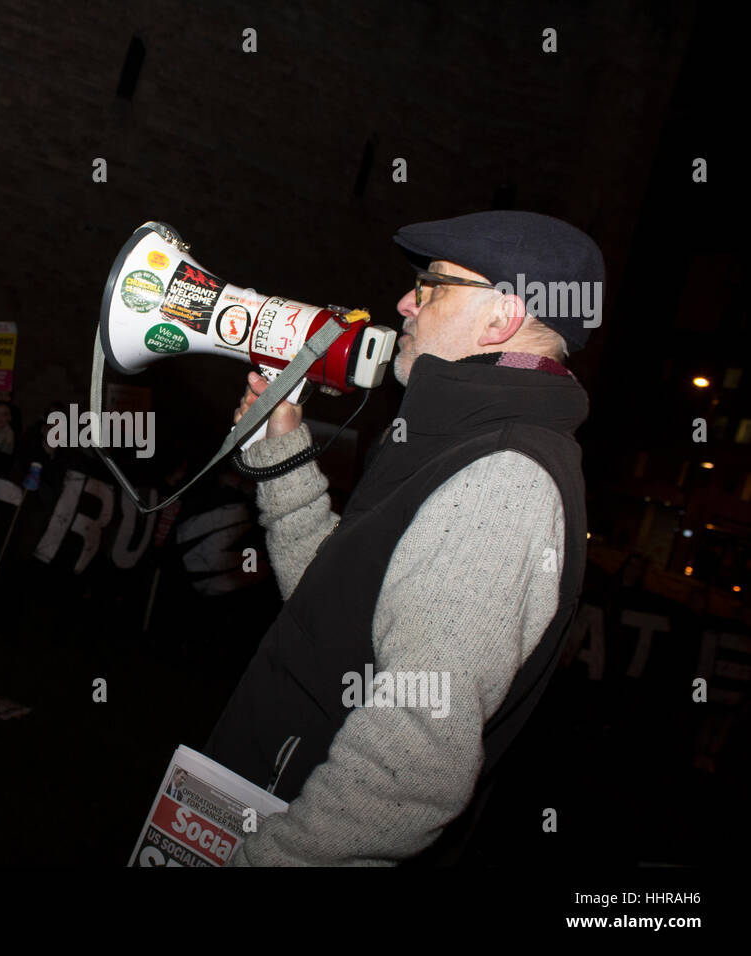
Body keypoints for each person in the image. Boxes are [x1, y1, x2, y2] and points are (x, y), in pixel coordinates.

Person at [206, 210, 602, 866]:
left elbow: (404, 776)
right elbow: (331, 611)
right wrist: (282, 450)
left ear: (500, 318)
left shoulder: (504, 479)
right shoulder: (460, 440)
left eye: (431, 286)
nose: (403, 302)